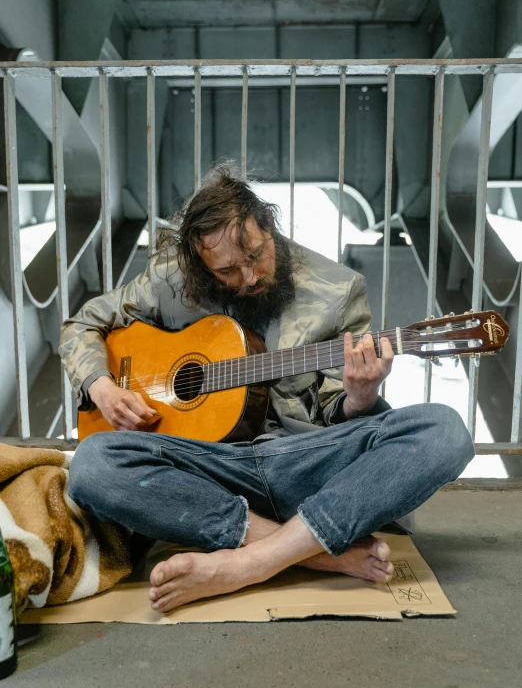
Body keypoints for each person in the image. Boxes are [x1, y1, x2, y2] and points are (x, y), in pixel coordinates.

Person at [61, 164, 474, 614]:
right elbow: (83, 323)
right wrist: (102, 388)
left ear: (269, 226)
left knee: (445, 430)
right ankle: (309, 550)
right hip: (210, 468)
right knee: (93, 463)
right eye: (227, 270)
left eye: (255, 255)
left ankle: (251, 562)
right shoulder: (172, 280)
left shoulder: (338, 290)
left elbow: (340, 411)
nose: (248, 276)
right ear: (201, 262)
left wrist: (361, 396)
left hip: (304, 463)